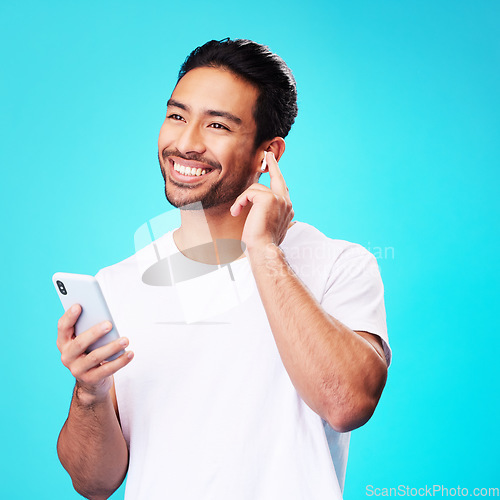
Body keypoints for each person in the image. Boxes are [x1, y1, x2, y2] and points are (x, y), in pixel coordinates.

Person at [56, 38, 391, 500]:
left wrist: (265, 252)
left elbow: (347, 403)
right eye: (177, 116)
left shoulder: (339, 265)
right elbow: (93, 483)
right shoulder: (117, 285)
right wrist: (89, 394)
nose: (186, 143)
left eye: (217, 125)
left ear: (266, 154)